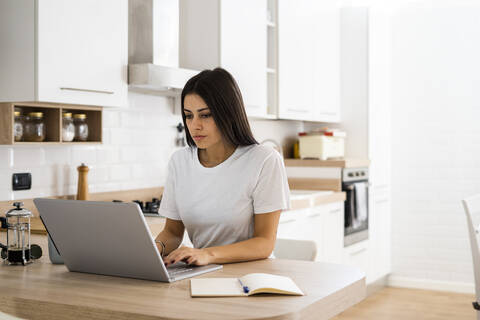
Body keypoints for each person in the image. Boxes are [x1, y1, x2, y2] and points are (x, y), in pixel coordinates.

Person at [155, 68, 290, 267]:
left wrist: (207, 254)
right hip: (200, 271)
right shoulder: (180, 161)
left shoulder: (264, 160)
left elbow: (265, 243)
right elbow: (173, 233)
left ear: (228, 114)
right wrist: (155, 247)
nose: (194, 125)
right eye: (188, 116)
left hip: (253, 275)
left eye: (206, 115)